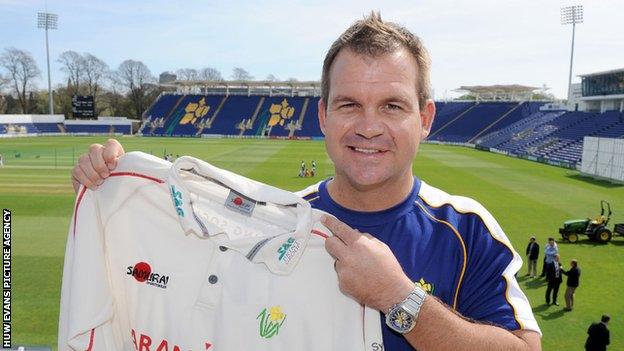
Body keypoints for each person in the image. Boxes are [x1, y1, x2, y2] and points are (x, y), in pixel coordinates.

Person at [70, 12, 541, 350]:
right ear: (323, 115)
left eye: (392, 106)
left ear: (425, 118)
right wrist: (113, 190)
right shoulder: (277, 223)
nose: (368, 126)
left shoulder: (467, 230)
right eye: (348, 104)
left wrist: (402, 300)